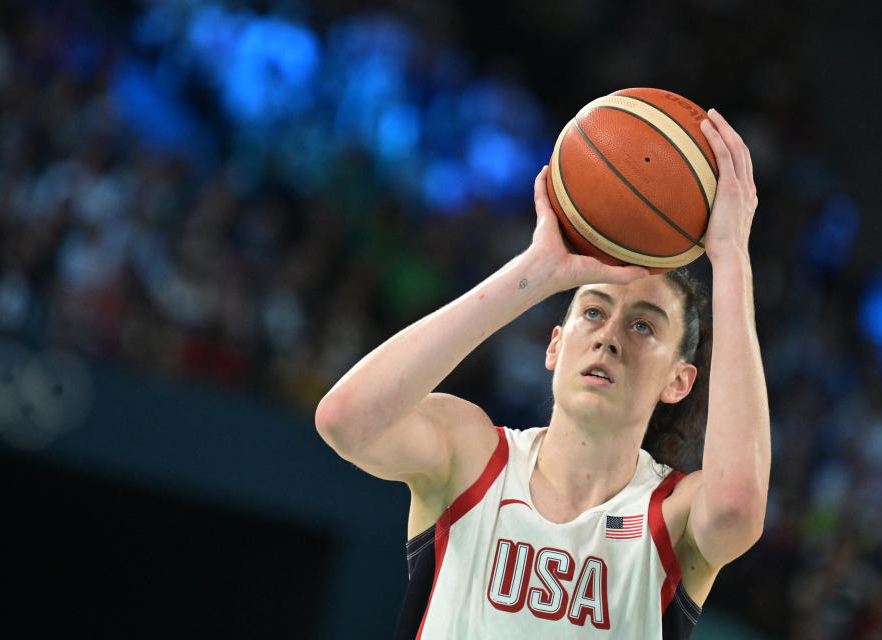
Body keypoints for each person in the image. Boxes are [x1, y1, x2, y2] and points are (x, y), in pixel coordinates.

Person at [315, 109, 769, 639]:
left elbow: (737, 505)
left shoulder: (671, 516)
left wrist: (732, 256)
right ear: (555, 345)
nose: (609, 336)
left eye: (644, 326)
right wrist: (537, 269)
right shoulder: (474, 457)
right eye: (594, 312)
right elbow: (347, 420)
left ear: (679, 380)